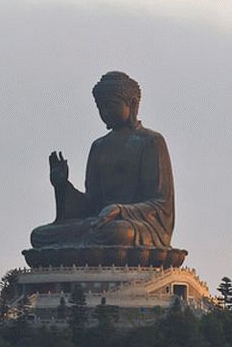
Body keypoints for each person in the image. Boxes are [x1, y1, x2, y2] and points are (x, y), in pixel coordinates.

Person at [29, 71, 175, 250]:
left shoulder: (151, 141)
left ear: (132, 104)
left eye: (111, 105)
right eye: (100, 107)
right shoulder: (99, 146)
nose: (105, 112)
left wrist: (121, 210)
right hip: (98, 224)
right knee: (40, 236)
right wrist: (62, 186)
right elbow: (91, 204)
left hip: (135, 225)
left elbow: (161, 203)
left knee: (118, 233)